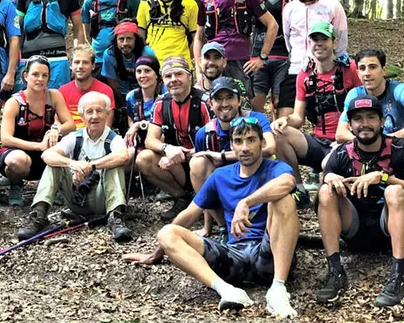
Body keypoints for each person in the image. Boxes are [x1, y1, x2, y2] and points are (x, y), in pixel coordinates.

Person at [124, 119, 299, 319]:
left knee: (284, 200)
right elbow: (188, 216)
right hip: (233, 256)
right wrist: (157, 253)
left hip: (270, 254)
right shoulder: (221, 175)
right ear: (231, 145)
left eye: (251, 140)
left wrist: (246, 203)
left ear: (262, 142)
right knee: (167, 232)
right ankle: (227, 291)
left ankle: (278, 289)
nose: (244, 147)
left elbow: (288, 182)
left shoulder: (275, 168)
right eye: (238, 141)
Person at [315, 95, 404, 307]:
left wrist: (385, 177)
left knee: (394, 192)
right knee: (325, 191)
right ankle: (335, 272)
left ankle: (398, 276)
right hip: (354, 228)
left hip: (392, 226)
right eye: (358, 119)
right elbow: (321, 200)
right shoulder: (342, 153)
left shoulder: (401, 148)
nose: (365, 124)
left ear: (382, 121)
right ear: (349, 125)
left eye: (371, 117)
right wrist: (329, 178)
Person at [17, 92, 133, 242]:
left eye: (99, 111)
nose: (94, 116)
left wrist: (91, 166)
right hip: (77, 198)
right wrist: (72, 164)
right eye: (89, 112)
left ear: (107, 114)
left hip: (103, 199)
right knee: (54, 164)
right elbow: (47, 155)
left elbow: (123, 156)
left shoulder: (114, 138)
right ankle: (39, 216)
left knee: (114, 164)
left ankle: (116, 217)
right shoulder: (74, 137)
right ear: (82, 116)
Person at [335, 48, 404, 218]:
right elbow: (340, 133)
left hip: (403, 155)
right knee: (335, 151)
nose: (367, 73)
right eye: (362, 68)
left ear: (384, 70)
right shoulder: (355, 94)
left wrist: (390, 139)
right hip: (371, 153)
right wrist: (368, 141)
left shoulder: (399, 90)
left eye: (373, 67)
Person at [271, 22, 361, 199]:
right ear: (309, 44)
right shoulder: (305, 75)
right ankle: (298, 190)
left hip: (345, 142)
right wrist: (285, 120)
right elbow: (298, 117)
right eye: (314, 39)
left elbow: (363, 107)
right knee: (278, 133)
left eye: (324, 39)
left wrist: (352, 139)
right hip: (318, 141)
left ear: (334, 43)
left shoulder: (349, 69)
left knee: (329, 192)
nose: (319, 44)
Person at [190, 77, 276, 236]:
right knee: (197, 163)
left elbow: (270, 148)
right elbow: (202, 183)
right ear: (211, 103)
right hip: (226, 189)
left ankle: (269, 225)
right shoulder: (205, 133)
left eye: (229, 97)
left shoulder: (257, 119)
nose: (224, 104)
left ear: (239, 100)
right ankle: (223, 226)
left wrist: (223, 156)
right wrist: (206, 227)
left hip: (255, 181)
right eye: (218, 99)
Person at [135, 57, 213, 220]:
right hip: (176, 160)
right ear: (163, 80)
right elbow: (150, 140)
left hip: (204, 160)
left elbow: (214, 142)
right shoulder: (161, 102)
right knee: (144, 159)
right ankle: (182, 198)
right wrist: (167, 149)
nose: (174, 80)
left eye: (179, 74)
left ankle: (206, 207)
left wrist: (185, 154)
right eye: (168, 76)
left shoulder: (205, 101)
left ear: (189, 77)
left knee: (198, 162)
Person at [196, 0, 278, 97]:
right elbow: (198, 37)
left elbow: (272, 25)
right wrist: (198, 68)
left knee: (241, 102)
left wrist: (262, 57)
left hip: (241, 62)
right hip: (213, 61)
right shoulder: (205, 0)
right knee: (211, 101)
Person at [0, 55, 76, 206]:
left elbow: (71, 125)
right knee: (17, 161)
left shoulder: (53, 96)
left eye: (44, 75)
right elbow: (6, 139)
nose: (40, 79)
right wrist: (39, 146)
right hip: (18, 153)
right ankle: (16, 184)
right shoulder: (14, 102)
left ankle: (56, 187)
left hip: (46, 152)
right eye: (35, 74)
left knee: (68, 146)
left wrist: (56, 129)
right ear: (25, 76)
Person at [15, 0, 84, 90]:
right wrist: (16, 61)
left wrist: (77, 60)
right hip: (29, 60)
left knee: (56, 103)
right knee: (25, 104)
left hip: (57, 60)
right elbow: (17, 31)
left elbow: (78, 29)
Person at [250, 0, 298, 117]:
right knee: (256, 106)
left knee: (279, 106)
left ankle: (277, 142)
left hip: (286, 57)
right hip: (258, 56)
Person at [282, 0, 348, 77]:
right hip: (296, 70)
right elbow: (288, 41)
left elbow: (341, 40)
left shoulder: (333, 6)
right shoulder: (289, 8)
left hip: (325, 71)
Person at [81, 0, 141, 73]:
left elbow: (139, 29)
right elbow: (86, 33)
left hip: (123, 60)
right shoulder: (90, 1)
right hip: (98, 60)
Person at [137, 0, 199, 66]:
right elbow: (140, 37)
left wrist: (191, 60)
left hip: (180, 63)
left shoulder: (190, 5)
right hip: (153, 63)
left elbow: (196, 37)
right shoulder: (145, 5)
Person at [58, 44, 116, 130]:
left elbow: (107, 126)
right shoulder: (62, 91)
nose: (80, 66)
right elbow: (57, 122)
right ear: (70, 65)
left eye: (85, 62)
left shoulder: (104, 91)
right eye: (77, 62)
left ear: (93, 66)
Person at [101, 20, 156, 100]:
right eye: (121, 39)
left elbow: (154, 79)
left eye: (129, 39)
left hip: (144, 93)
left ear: (135, 40)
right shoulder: (110, 55)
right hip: (121, 94)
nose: (125, 43)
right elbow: (113, 85)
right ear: (116, 41)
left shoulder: (147, 53)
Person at [194, 41, 251, 111]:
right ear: (200, 62)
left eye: (216, 57)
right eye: (207, 57)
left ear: (224, 62)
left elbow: (247, 116)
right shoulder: (194, 93)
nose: (211, 62)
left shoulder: (236, 89)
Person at [123, 55, 164, 148]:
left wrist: (139, 125)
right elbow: (130, 117)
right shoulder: (131, 96)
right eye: (139, 71)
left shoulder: (165, 94)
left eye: (147, 71)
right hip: (139, 139)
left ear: (156, 74)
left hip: (161, 139)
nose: (142, 75)